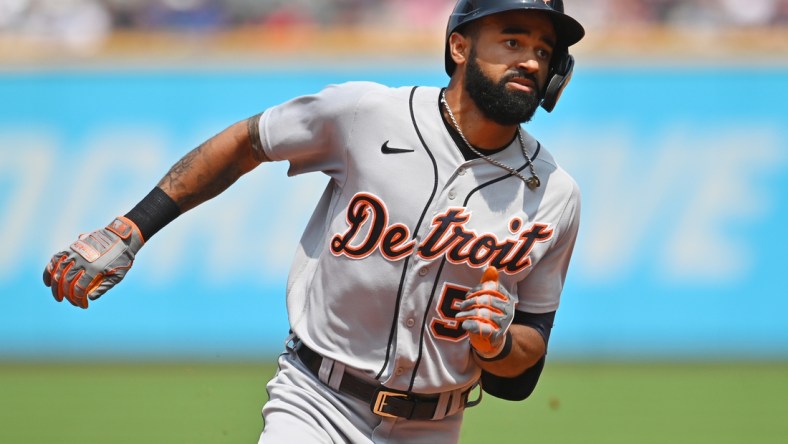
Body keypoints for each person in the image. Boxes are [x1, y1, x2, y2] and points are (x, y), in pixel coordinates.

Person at [43, 0, 585, 442]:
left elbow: (525, 365)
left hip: (436, 426)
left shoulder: (554, 195)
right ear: (459, 45)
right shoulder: (368, 115)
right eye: (513, 41)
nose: (532, 62)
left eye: (544, 50)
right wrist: (132, 228)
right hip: (317, 403)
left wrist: (497, 347)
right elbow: (246, 143)